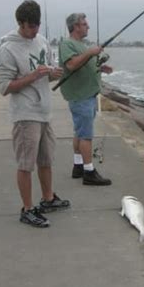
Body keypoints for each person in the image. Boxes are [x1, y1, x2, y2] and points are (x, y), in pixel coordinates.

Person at [0, 0, 70, 228]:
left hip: (44, 111)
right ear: (20, 23)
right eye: (31, 26)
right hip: (25, 114)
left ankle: (47, 199)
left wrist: (53, 74)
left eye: (37, 25)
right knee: (26, 164)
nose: (35, 30)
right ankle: (27, 209)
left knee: (47, 160)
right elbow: (4, 87)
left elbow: (47, 72)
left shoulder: (42, 41)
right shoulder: (7, 49)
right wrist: (34, 76)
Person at [59, 13, 114, 186]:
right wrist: (90, 52)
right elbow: (71, 65)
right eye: (84, 24)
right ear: (75, 26)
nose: (87, 27)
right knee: (86, 136)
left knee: (80, 132)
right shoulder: (67, 44)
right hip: (80, 96)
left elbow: (85, 64)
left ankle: (78, 166)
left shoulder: (81, 45)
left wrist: (100, 68)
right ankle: (89, 172)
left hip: (87, 95)